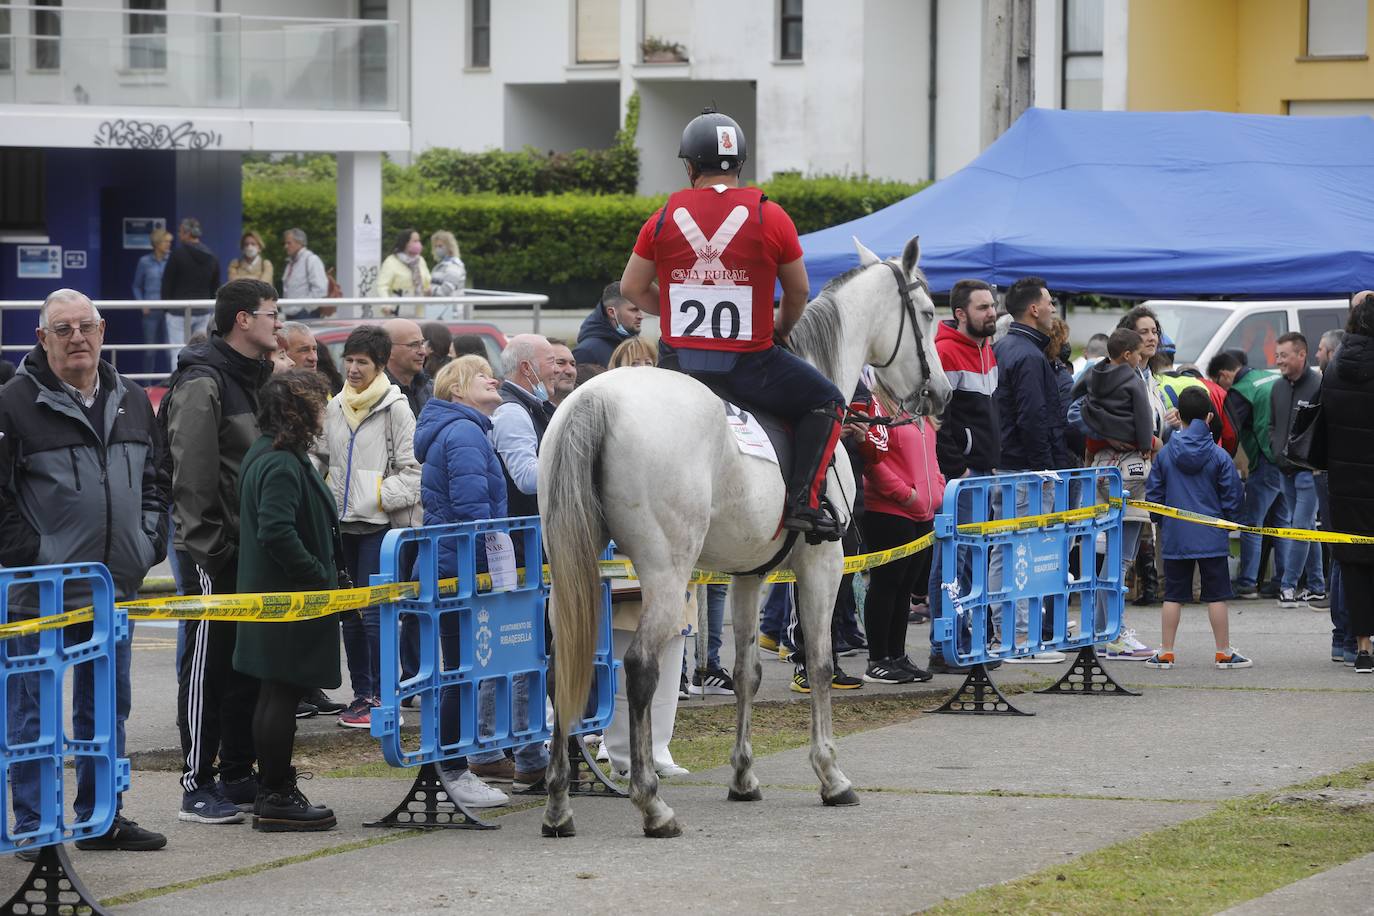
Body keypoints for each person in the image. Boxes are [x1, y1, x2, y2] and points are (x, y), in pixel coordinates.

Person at [619, 109, 848, 541]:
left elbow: (632, 287)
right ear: (740, 164)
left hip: (678, 366)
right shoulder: (771, 216)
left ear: (689, 166)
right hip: (748, 366)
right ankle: (804, 503)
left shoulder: (663, 217)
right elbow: (798, 292)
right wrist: (781, 325)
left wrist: (670, 311)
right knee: (827, 401)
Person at [0, 289, 169, 855]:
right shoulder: (11, 404)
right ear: (42, 339)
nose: (78, 338)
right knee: (32, 714)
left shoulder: (132, 400)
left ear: (102, 331)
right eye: (63, 329)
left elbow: (156, 480)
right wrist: (38, 556)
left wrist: (147, 542)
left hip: (111, 587)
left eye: (86, 326)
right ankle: (34, 823)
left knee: (106, 710)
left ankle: (102, 817)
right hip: (36, 594)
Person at [163, 277, 277, 824]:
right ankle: (196, 783)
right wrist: (211, 551)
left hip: (245, 550)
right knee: (207, 668)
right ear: (243, 320)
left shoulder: (254, 376)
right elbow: (193, 477)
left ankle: (234, 773)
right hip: (213, 551)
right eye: (271, 313)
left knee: (242, 667)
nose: (277, 322)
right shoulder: (203, 380)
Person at [233, 369, 340, 830]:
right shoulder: (279, 461)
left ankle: (272, 789)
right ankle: (276, 793)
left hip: (277, 598)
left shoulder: (272, 453)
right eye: (320, 402)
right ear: (300, 410)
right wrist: (317, 576)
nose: (326, 411)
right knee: (279, 694)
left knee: (275, 693)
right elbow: (275, 530)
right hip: (287, 600)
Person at [411, 355, 513, 806]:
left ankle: (453, 765)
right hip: (462, 569)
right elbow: (475, 512)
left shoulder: (463, 429)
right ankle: (452, 770)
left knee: (461, 669)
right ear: (457, 390)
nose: (493, 378)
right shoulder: (466, 431)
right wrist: (495, 570)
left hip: (454, 565)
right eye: (480, 375)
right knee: (460, 672)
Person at [314, 325, 422, 729]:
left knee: (374, 615)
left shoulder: (396, 407)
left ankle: (382, 693)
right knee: (349, 616)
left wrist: (372, 495)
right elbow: (320, 456)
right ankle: (362, 693)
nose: (354, 369)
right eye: (350, 360)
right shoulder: (335, 405)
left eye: (363, 362)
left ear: (379, 366)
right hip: (341, 530)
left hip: (378, 528)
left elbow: (414, 473)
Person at [477, 334, 559, 790]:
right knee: (512, 650)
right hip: (515, 550)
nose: (556, 369)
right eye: (550, 360)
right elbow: (527, 480)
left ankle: (525, 754)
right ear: (527, 367)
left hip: (528, 549)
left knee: (526, 652)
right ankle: (493, 750)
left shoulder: (530, 407)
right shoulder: (512, 412)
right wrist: (574, 461)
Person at [1144, 386, 1251, 670]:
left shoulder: (1166, 454)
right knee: (1216, 596)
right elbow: (1232, 496)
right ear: (1209, 417)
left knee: (1173, 596)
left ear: (1178, 415)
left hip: (1177, 535)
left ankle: (1166, 652)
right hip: (1211, 535)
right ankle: (1223, 652)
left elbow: (1154, 494)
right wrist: (1229, 523)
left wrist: (1160, 522)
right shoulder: (1219, 456)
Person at [992, 276, 1067, 662]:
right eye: (1050, 302)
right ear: (1033, 308)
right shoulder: (1027, 354)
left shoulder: (1005, 347)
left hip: (1007, 467)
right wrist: (1045, 470)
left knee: (1005, 552)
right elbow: (1033, 418)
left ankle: (1009, 636)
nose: (1054, 309)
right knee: (1022, 552)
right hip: (1025, 471)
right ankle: (1019, 639)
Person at [928, 278, 1000, 675]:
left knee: (972, 559)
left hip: (984, 472)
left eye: (992, 305)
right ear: (960, 313)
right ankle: (944, 645)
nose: (991, 312)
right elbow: (939, 420)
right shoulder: (944, 352)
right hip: (963, 476)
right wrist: (959, 468)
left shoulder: (987, 349)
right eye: (983, 307)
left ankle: (967, 639)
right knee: (952, 560)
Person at [860, 386, 943, 683]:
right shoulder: (880, 407)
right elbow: (873, 464)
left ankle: (897, 655)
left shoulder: (920, 409)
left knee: (905, 587)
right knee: (886, 584)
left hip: (924, 511)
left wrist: (938, 488)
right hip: (889, 510)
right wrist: (906, 495)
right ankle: (877, 659)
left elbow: (930, 458)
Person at [1207, 350, 1286, 599]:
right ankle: (1283, 581)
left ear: (1224, 375)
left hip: (1265, 459)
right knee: (1284, 523)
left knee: (1253, 523)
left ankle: (1248, 582)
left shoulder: (1240, 391)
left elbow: (1229, 431)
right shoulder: (1271, 377)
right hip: (1289, 459)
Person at [1270, 332, 1325, 608]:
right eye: (1277, 355)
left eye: (1283, 355)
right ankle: (1316, 585)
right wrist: (1274, 447)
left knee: (1300, 525)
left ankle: (1288, 586)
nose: (1278, 360)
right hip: (1284, 469)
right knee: (1303, 526)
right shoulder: (1277, 387)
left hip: (1308, 470)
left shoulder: (1319, 384)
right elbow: (1272, 424)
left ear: (1301, 355)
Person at [1081, 328, 1159, 456]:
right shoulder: (1135, 381)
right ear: (1127, 355)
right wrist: (1145, 445)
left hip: (1096, 436)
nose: (1140, 358)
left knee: (1089, 454)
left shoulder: (1093, 373)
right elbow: (1143, 415)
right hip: (1127, 436)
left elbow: (1075, 393)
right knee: (1159, 445)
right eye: (1139, 354)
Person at [161, 217, 220, 348]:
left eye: (180, 231)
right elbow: (215, 286)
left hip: (177, 312)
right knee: (200, 350)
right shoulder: (211, 256)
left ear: (187, 233)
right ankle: (198, 370)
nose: (179, 234)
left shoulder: (177, 254)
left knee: (176, 351)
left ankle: (180, 370)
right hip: (203, 310)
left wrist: (166, 309)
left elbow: (167, 283)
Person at [574, 281, 643, 368]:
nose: (641, 316)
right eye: (634, 310)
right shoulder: (587, 352)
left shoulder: (634, 345)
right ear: (611, 312)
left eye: (640, 310)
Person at [134, 227, 172, 374]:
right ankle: (147, 383)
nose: (169, 245)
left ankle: (173, 383)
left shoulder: (172, 260)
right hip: (150, 312)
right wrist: (142, 304)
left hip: (169, 310)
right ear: (157, 243)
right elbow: (136, 286)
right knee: (150, 350)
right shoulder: (144, 262)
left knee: (170, 350)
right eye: (166, 242)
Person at [383, 318, 433, 419]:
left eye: (422, 343)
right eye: (413, 345)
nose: (423, 352)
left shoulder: (432, 390)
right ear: (388, 349)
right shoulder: (376, 394)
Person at [375, 228, 432, 307]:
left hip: (420, 310)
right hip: (398, 310)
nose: (418, 244)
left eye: (419, 241)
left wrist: (429, 290)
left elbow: (428, 281)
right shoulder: (391, 261)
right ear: (405, 243)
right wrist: (386, 305)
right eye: (415, 241)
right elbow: (382, 286)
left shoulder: (420, 260)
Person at [280, 228, 328, 317]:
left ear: (300, 243)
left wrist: (306, 309)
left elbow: (320, 289)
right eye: (285, 243)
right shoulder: (290, 263)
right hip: (291, 313)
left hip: (306, 314)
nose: (286, 246)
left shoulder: (311, 260)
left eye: (289, 243)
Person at [428, 230, 467, 299]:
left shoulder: (454, 265)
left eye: (440, 246)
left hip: (451, 308)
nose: (437, 249)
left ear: (449, 246)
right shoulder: (441, 265)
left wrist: (429, 291)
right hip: (439, 307)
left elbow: (446, 291)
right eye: (436, 246)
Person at [546, 337, 578, 407]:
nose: (570, 371)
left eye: (573, 364)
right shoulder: (523, 411)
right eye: (560, 363)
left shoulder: (578, 410)